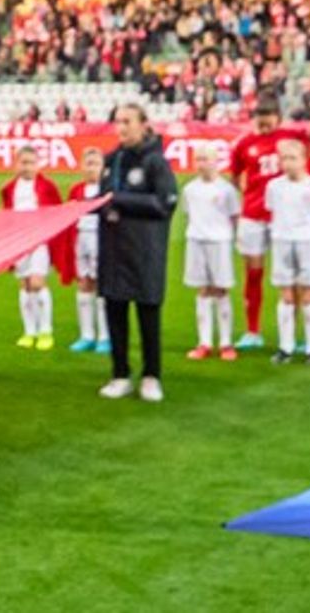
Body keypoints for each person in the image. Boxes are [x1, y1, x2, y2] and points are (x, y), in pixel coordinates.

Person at [96, 103, 179, 402]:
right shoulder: (111, 160)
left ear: (144, 124)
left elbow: (165, 203)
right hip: (114, 249)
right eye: (118, 122)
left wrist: (120, 201)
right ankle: (120, 374)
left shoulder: (156, 162)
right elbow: (102, 199)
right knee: (114, 311)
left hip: (145, 249)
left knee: (147, 314)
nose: (122, 127)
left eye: (128, 121)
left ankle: (151, 375)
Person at [226, 98, 288, 351]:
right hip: (252, 213)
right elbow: (234, 176)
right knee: (253, 272)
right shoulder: (244, 143)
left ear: (278, 117)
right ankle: (253, 330)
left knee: (289, 276)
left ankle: (291, 333)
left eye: (269, 118)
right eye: (260, 119)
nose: (264, 124)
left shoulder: (291, 138)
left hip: (285, 216)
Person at [0, 145, 76, 349]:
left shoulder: (47, 187)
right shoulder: (9, 189)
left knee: (37, 282)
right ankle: (29, 331)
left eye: (31, 163)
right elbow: (6, 215)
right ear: (16, 164)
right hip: (19, 242)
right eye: (23, 162)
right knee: (25, 285)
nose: (27, 167)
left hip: (40, 242)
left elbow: (56, 212)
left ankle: (45, 331)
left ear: (38, 164)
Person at [265, 139, 310, 365]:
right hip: (282, 240)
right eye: (283, 158)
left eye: (292, 158)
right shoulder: (274, 186)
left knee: (309, 293)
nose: (287, 163)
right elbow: (272, 210)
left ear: (304, 160)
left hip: (308, 242)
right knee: (285, 293)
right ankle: (286, 347)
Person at [181, 145, 242, 362]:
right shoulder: (189, 189)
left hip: (220, 241)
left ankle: (226, 343)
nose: (202, 163)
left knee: (221, 289)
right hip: (196, 241)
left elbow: (235, 217)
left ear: (216, 161)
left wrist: (234, 240)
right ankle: (204, 342)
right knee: (203, 290)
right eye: (198, 159)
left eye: (206, 159)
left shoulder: (226, 190)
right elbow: (189, 215)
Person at [68, 145, 109, 353]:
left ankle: (104, 336)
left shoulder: (107, 190)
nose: (91, 168)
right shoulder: (76, 190)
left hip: (101, 239)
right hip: (81, 239)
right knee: (84, 284)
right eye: (88, 164)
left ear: (103, 167)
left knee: (102, 286)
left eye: (95, 164)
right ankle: (86, 335)